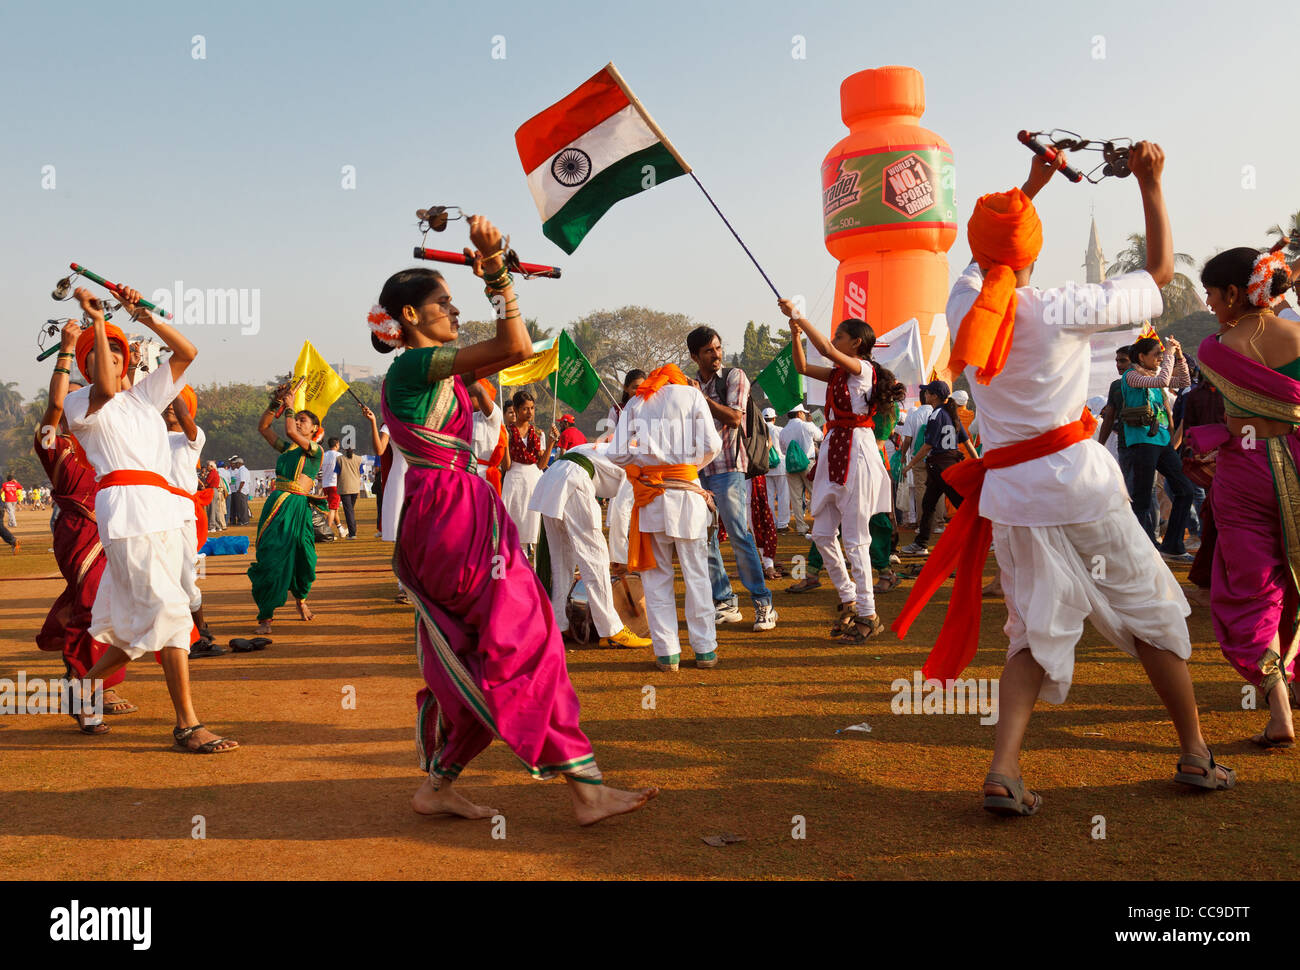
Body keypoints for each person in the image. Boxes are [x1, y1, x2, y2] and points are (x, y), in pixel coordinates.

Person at [893, 143, 1233, 814]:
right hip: (1080, 486)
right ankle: (1195, 751)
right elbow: (1160, 272)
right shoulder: (1058, 307)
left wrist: (1031, 185)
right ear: (1033, 255)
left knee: (1032, 632)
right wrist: (1151, 181)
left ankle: (1004, 768)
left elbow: (984, 258)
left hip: (1014, 497)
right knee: (1154, 616)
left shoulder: (964, 306)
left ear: (980, 252)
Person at [369, 214, 655, 825]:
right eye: (443, 304)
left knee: (489, 648)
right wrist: (500, 276)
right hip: (451, 516)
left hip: (456, 511)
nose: (454, 310)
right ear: (411, 317)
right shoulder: (412, 367)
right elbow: (516, 347)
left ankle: (439, 783)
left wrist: (494, 280)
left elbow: (502, 362)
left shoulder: (437, 368)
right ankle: (585, 789)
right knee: (525, 640)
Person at [62, 286, 237, 753]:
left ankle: (83, 688)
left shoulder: (144, 399)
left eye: (120, 354)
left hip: (161, 512)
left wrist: (145, 316)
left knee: (145, 625)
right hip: (125, 512)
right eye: (105, 355)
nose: (115, 361)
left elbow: (187, 352)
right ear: (89, 365)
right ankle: (187, 724)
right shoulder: (81, 403)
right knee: (169, 613)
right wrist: (99, 323)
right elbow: (101, 385)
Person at [1195, 245, 1300, 747]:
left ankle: (1279, 708)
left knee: (1252, 588)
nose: (1211, 303)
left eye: (1213, 294)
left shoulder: (1216, 349)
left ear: (1234, 292)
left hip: (1247, 470)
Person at [33, 325, 134, 722]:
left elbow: (122, 399)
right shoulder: (51, 443)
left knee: (108, 604)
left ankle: (91, 679)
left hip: (112, 527)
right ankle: (88, 688)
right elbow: (55, 405)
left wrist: (127, 362)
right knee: (92, 604)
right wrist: (68, 350)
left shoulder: (98, 440)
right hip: (77, 532)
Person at [783, 305, 895, 642]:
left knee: (856, 539)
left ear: (856, 343)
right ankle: (849, 597)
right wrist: (794, 333)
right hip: (835, 448)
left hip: (857, 452)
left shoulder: (862, 370)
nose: (834, 341)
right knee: (821, 535)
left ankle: (867, 613)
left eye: (840, 336)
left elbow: (825, 350)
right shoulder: (837, 374)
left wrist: (799, 315)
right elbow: (802, 366)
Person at [607, 364, 722, 670]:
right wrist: (687, 467)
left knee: (657, 579)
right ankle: (705, 650)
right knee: (697, 575)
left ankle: (667, 653)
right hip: (687, 494)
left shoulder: (636, 401)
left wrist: (647, 461)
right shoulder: (692, 396)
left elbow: (616, 454)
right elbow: (713, 446)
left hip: (652, 497)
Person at [688, 326, 776, 631]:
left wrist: (701, 399)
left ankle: (763, 604)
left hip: (729, 468)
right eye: (708, 351)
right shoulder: (691, 385)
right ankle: (725, 601)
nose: (716, 355)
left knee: (740, 535)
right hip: (699, 472)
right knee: (704, 539)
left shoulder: (734, 376)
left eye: (718, 348)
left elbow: (735, 418)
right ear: (695, 356)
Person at [529, 441, 653, 649]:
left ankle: (559, 624)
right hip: (575, 481)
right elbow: (621, 511)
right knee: (596, 556)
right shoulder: (638, 461)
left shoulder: (618, 447)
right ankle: (611, 629)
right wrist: (619, 558)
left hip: (553, 479)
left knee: (561, 561)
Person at [247, 388, 324, 634]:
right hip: (277, 506)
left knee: (305, 560)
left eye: (304, 420)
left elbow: (290, 430)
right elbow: (263, 428)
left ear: (314, 429)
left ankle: (301, 600)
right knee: (271, 558)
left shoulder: (315, 450)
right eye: (297, 418)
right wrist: (275, 403)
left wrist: (290, 406)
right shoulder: (287, 449)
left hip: (298, 507)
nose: (298, 422)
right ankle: (266, 617)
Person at [1119, 335, 1195, 560]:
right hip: (1142, 442)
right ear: (1141, 357)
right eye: (1156, 355)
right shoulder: (1131, 376)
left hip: (1161, 441)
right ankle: (1145, 548)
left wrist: (1179, 356)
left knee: (1185, 490)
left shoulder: (1151, 375)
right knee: (1142, 497)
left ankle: (1172, 545)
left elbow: (1184, 382)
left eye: (1162, 355)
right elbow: (1164, 380)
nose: (1161, 359)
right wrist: (1170, 354)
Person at [162, 385, 218, 654]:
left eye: (179, 402)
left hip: (182, 514)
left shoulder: (192, 438)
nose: (172, 406)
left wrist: (169, 384)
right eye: (167, 401)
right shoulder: (149, 437)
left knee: (186, 579)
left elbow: (185, 419)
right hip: (152, 512)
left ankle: (201, 632)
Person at [899, 381, 978, 555]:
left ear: (934, 396)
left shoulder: (936, 415)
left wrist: (910, 464)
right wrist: (978, 461)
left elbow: (928, 446)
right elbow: (967, 443)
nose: (925, 395)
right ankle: (921, 543)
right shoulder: (952, 414)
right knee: (929, 504)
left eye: (927, 392)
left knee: (961, 503)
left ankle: (984, 536)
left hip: (940, 465)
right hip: (948, 463)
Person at [501, 390, 550, 557]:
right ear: (515, 409)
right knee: (515, 521)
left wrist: (551, 443)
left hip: (534, 479)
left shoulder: (538, 433)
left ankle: (536, 568)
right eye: (525, 409)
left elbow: (541, 465)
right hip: (514, 479)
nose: (529, 412)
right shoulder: (506, 432)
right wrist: (504, 444)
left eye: (532, 408)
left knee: (535, 524)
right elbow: (506, 466)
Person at [779, 405, 821, 537]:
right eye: (803, 413)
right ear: (799, 414)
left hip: (791, 466)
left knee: (796, 497)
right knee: (815, 492)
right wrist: (811, 423)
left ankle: (801, 527)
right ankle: (819, 524)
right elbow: (820, 436)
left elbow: (783, 450)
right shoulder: (807, 426)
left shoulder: (783, 431)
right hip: (808, 463)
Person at [604, 370, 647, 441]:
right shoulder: (616, 410)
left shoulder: (650, 408)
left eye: (643, 387)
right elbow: (609, 437)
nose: (639, 391)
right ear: (626, 388)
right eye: (635, 388)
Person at [320, 437, 345, 539]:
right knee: (332, 509)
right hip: (335, 484)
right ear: (336, 445)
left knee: (334, 508)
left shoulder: (324, 455)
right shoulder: (339, 456)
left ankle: (340, 529)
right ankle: (327, 533)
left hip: (325, 485)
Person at [337, 444, 364, 540]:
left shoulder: (339, 459)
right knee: (350, 510)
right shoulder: (359, 459)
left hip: (344, 488)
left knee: (348, 511)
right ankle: (353, 530)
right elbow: (361, 472)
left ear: (344, 449)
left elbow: (337, 473)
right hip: (355, 488)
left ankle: (352, 533)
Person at [206, 460, 227, 533]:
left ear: (211, 466)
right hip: (215, 491)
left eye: (207, 466)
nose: (206, 467)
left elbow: (207, 482)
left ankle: (212, 527)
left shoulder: (212, 473)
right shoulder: (216, 473)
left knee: (211, 509)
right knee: (216, 510)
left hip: (211, 490)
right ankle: (218, 526)